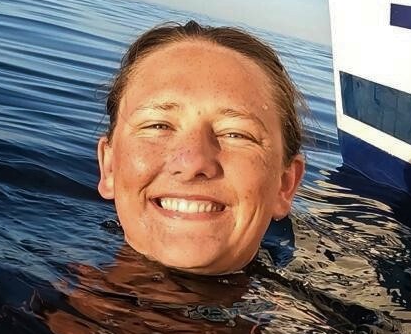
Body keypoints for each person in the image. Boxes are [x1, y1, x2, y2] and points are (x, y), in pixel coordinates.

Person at [96, 20, 309, 276]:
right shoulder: (41, 297)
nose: (192, 162)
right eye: (158, 126)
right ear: (109, 166)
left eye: (235, 133)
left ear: (285, 185)